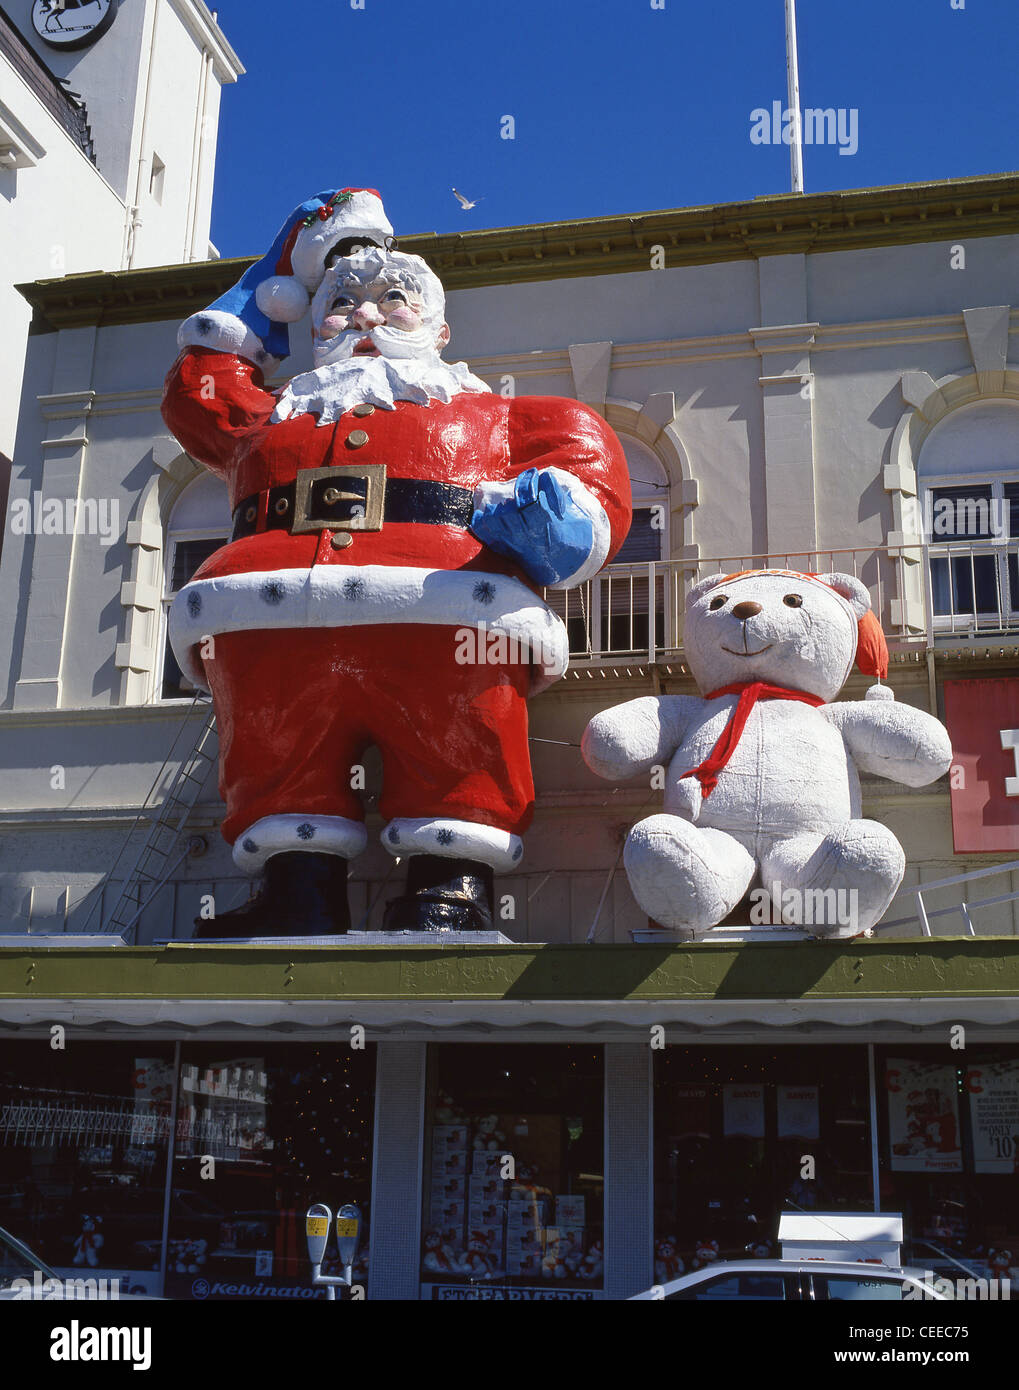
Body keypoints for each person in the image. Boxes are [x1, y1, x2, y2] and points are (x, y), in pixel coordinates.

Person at [162, 188, 631, 936]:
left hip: (444, 612)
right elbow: (198, 389)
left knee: (457, 741)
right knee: (276, 748)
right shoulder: (267, 420)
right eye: (342, 303)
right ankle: (298, 890)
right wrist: (271, 278)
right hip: (267, 618)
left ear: (440, 329)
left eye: (394, 299)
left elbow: (588, 474)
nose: (368, 315)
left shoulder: (505, 416)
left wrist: (557, 523)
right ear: (313, 326)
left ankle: (450, 885)